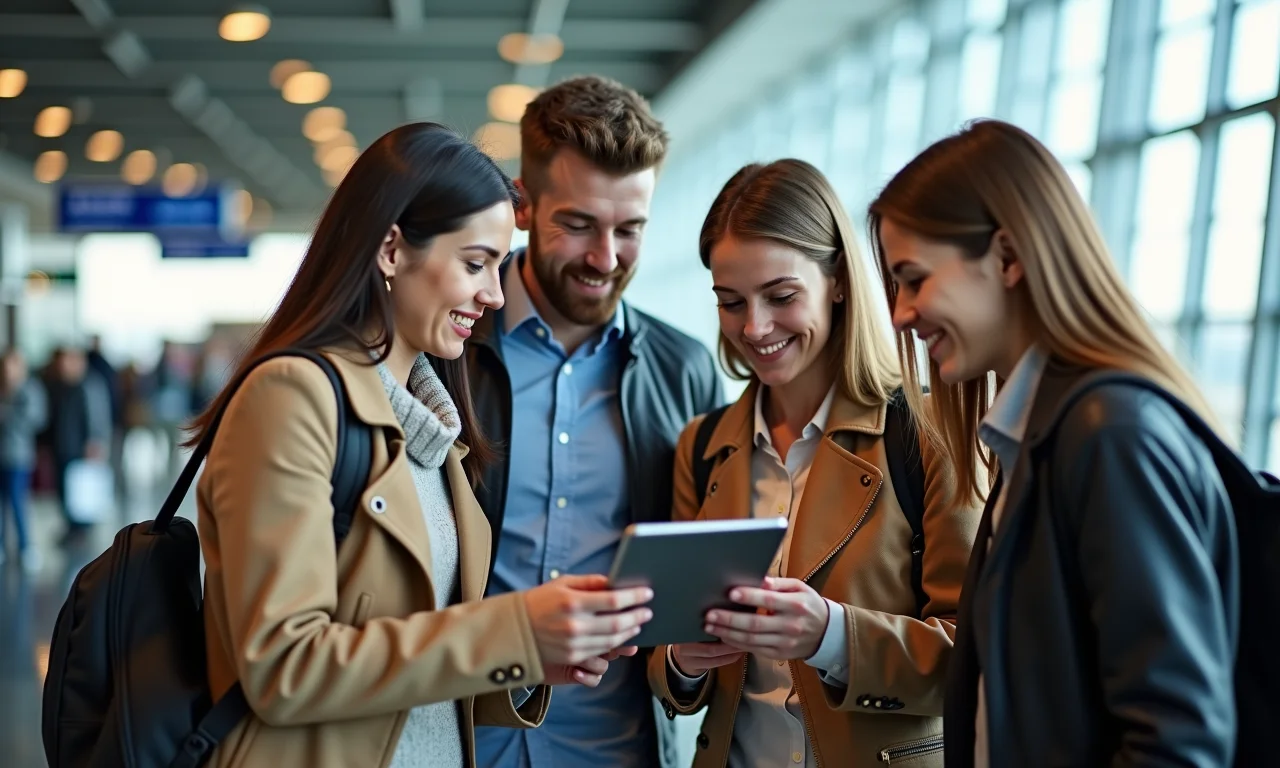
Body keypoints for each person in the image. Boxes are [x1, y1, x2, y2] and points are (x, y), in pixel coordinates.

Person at [188, 122, 655, 768]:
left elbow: (419, 672)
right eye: (475, 264)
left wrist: (534, 654)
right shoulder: (292, 397)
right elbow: (283, 667)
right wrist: (513, 627)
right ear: (390, 250)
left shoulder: (435, 426)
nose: (494, 293)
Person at [868, 119, 1239, 767]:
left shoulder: (1109, 435)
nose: (900, 313)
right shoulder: (1038, 436)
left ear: (1008, 257)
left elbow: (1177, 740)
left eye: (915, 278)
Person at [649, 159, 982, 768]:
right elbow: (670, 653)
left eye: (780, 296)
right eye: (730, 302)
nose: (754, 327)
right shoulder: (703, 446)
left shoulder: (929, 437)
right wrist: (680, 661)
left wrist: (831, 636)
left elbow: (977, 656)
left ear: (838, 281)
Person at [467, 75, 724, 768]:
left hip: (617, 751)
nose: (605, 258)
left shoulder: (685, 371)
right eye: (578, 224)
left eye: (630, 229)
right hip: (454, 744)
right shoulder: (448, 351)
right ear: (522, 205)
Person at [0, 348, 47, 570]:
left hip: (18, 456)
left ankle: (26, 546)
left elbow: (36, 418)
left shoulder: (30, 389)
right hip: (3, 454)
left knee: (18, 502)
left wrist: (7, 413)